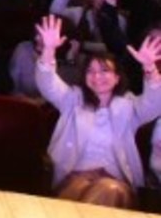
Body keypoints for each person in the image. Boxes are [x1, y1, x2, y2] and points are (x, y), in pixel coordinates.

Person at [34, 15, 161, 209]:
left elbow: (155, 102)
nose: (97, 76)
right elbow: (47, 83)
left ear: (117, 78)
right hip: (75, 177)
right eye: (90, 71)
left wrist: (150, 68)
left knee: (109, 189)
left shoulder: (128, 107)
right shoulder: (72, 99)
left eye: (104, 71)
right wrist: (49, 50)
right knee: (79, 189)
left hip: (117, 182)